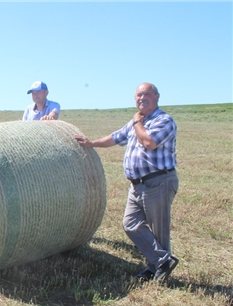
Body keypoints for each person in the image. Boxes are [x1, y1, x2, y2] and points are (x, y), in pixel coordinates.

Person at [75, 82, 179, 282]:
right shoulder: (135, 122)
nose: (142, 98)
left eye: (146, 94)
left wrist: (137, 123)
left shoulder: (164, 120)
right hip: (137, 184)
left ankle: (157, 269)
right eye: (138, 95)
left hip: (158, 181)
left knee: (159, 230)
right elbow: (115, 138)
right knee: (130, 224)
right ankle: (161, 261)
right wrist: (91, 144)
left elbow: (149, 143)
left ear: (157, 97)